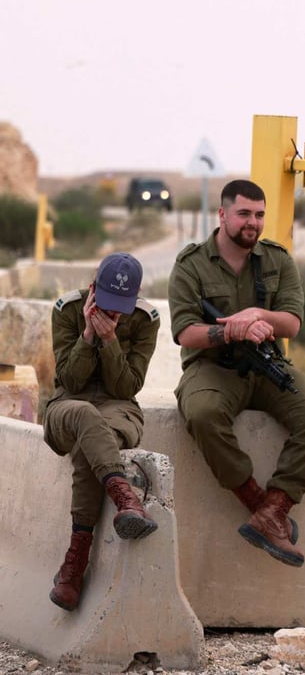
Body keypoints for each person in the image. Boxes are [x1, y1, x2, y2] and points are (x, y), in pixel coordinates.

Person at [167, 179, 305, 568]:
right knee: (204, 414)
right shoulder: (191, 264)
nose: (252, 223)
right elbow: (184, 332)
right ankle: (259, 505)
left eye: (259, 215)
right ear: (222, 214)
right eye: (244, 214)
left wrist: (258, 316)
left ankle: (278, 504)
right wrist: (228, 330)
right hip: (213, 367)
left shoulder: (277, 259)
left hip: (268, 364)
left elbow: (291, 323)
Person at [44, 251, 161, 611]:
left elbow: (127, 388)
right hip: (67, 405)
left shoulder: (145, 320)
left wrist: (111, 343)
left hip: (119, 408)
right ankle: (126, 498)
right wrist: (88, 335)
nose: (112, 314)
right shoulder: (66, 309)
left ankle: (74, 562)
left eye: (119, 308)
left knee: (94, 439)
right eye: (106, 304)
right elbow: (70, 380)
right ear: (93, 288)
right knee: (84, 416)